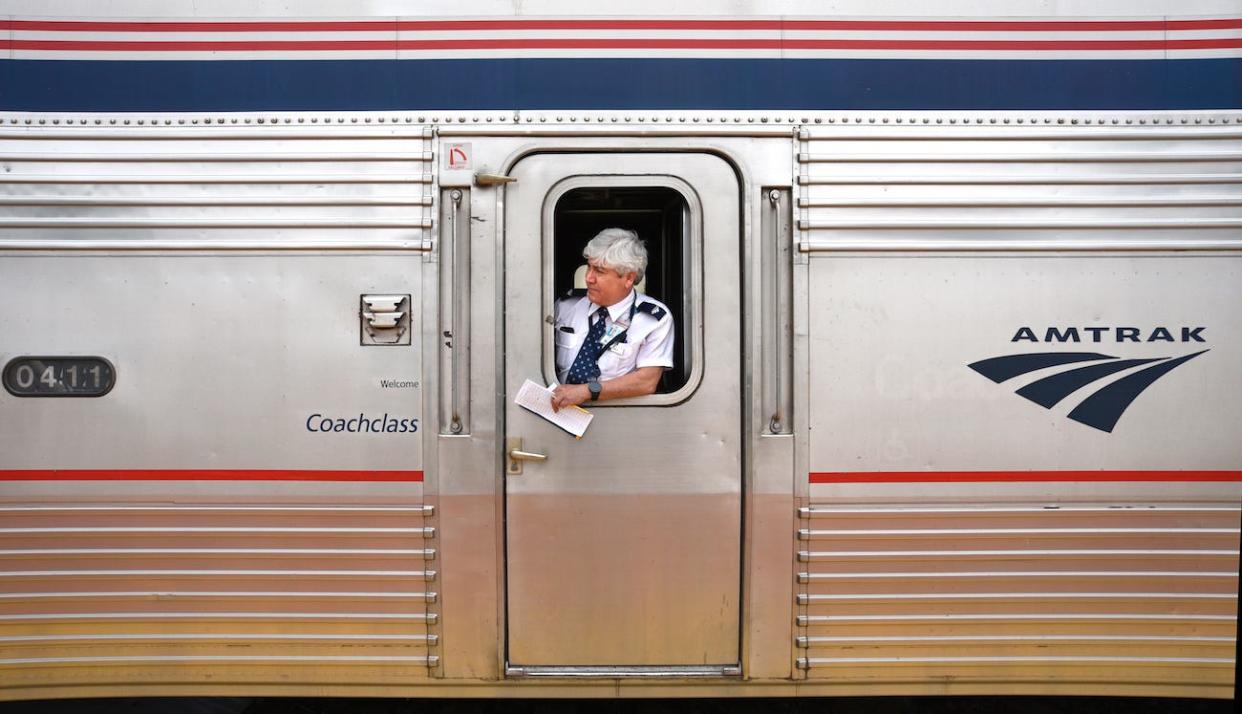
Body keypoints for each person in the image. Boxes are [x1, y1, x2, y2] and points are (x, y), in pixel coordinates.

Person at [550, 228, 674, 411]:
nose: (588, 278)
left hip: (616, 417)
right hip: (558, 413)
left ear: (629, 278)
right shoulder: (566, 306)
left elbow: (646, 382)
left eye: (599, 271)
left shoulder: (654, 319)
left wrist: (586, 391)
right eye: (588, 267)